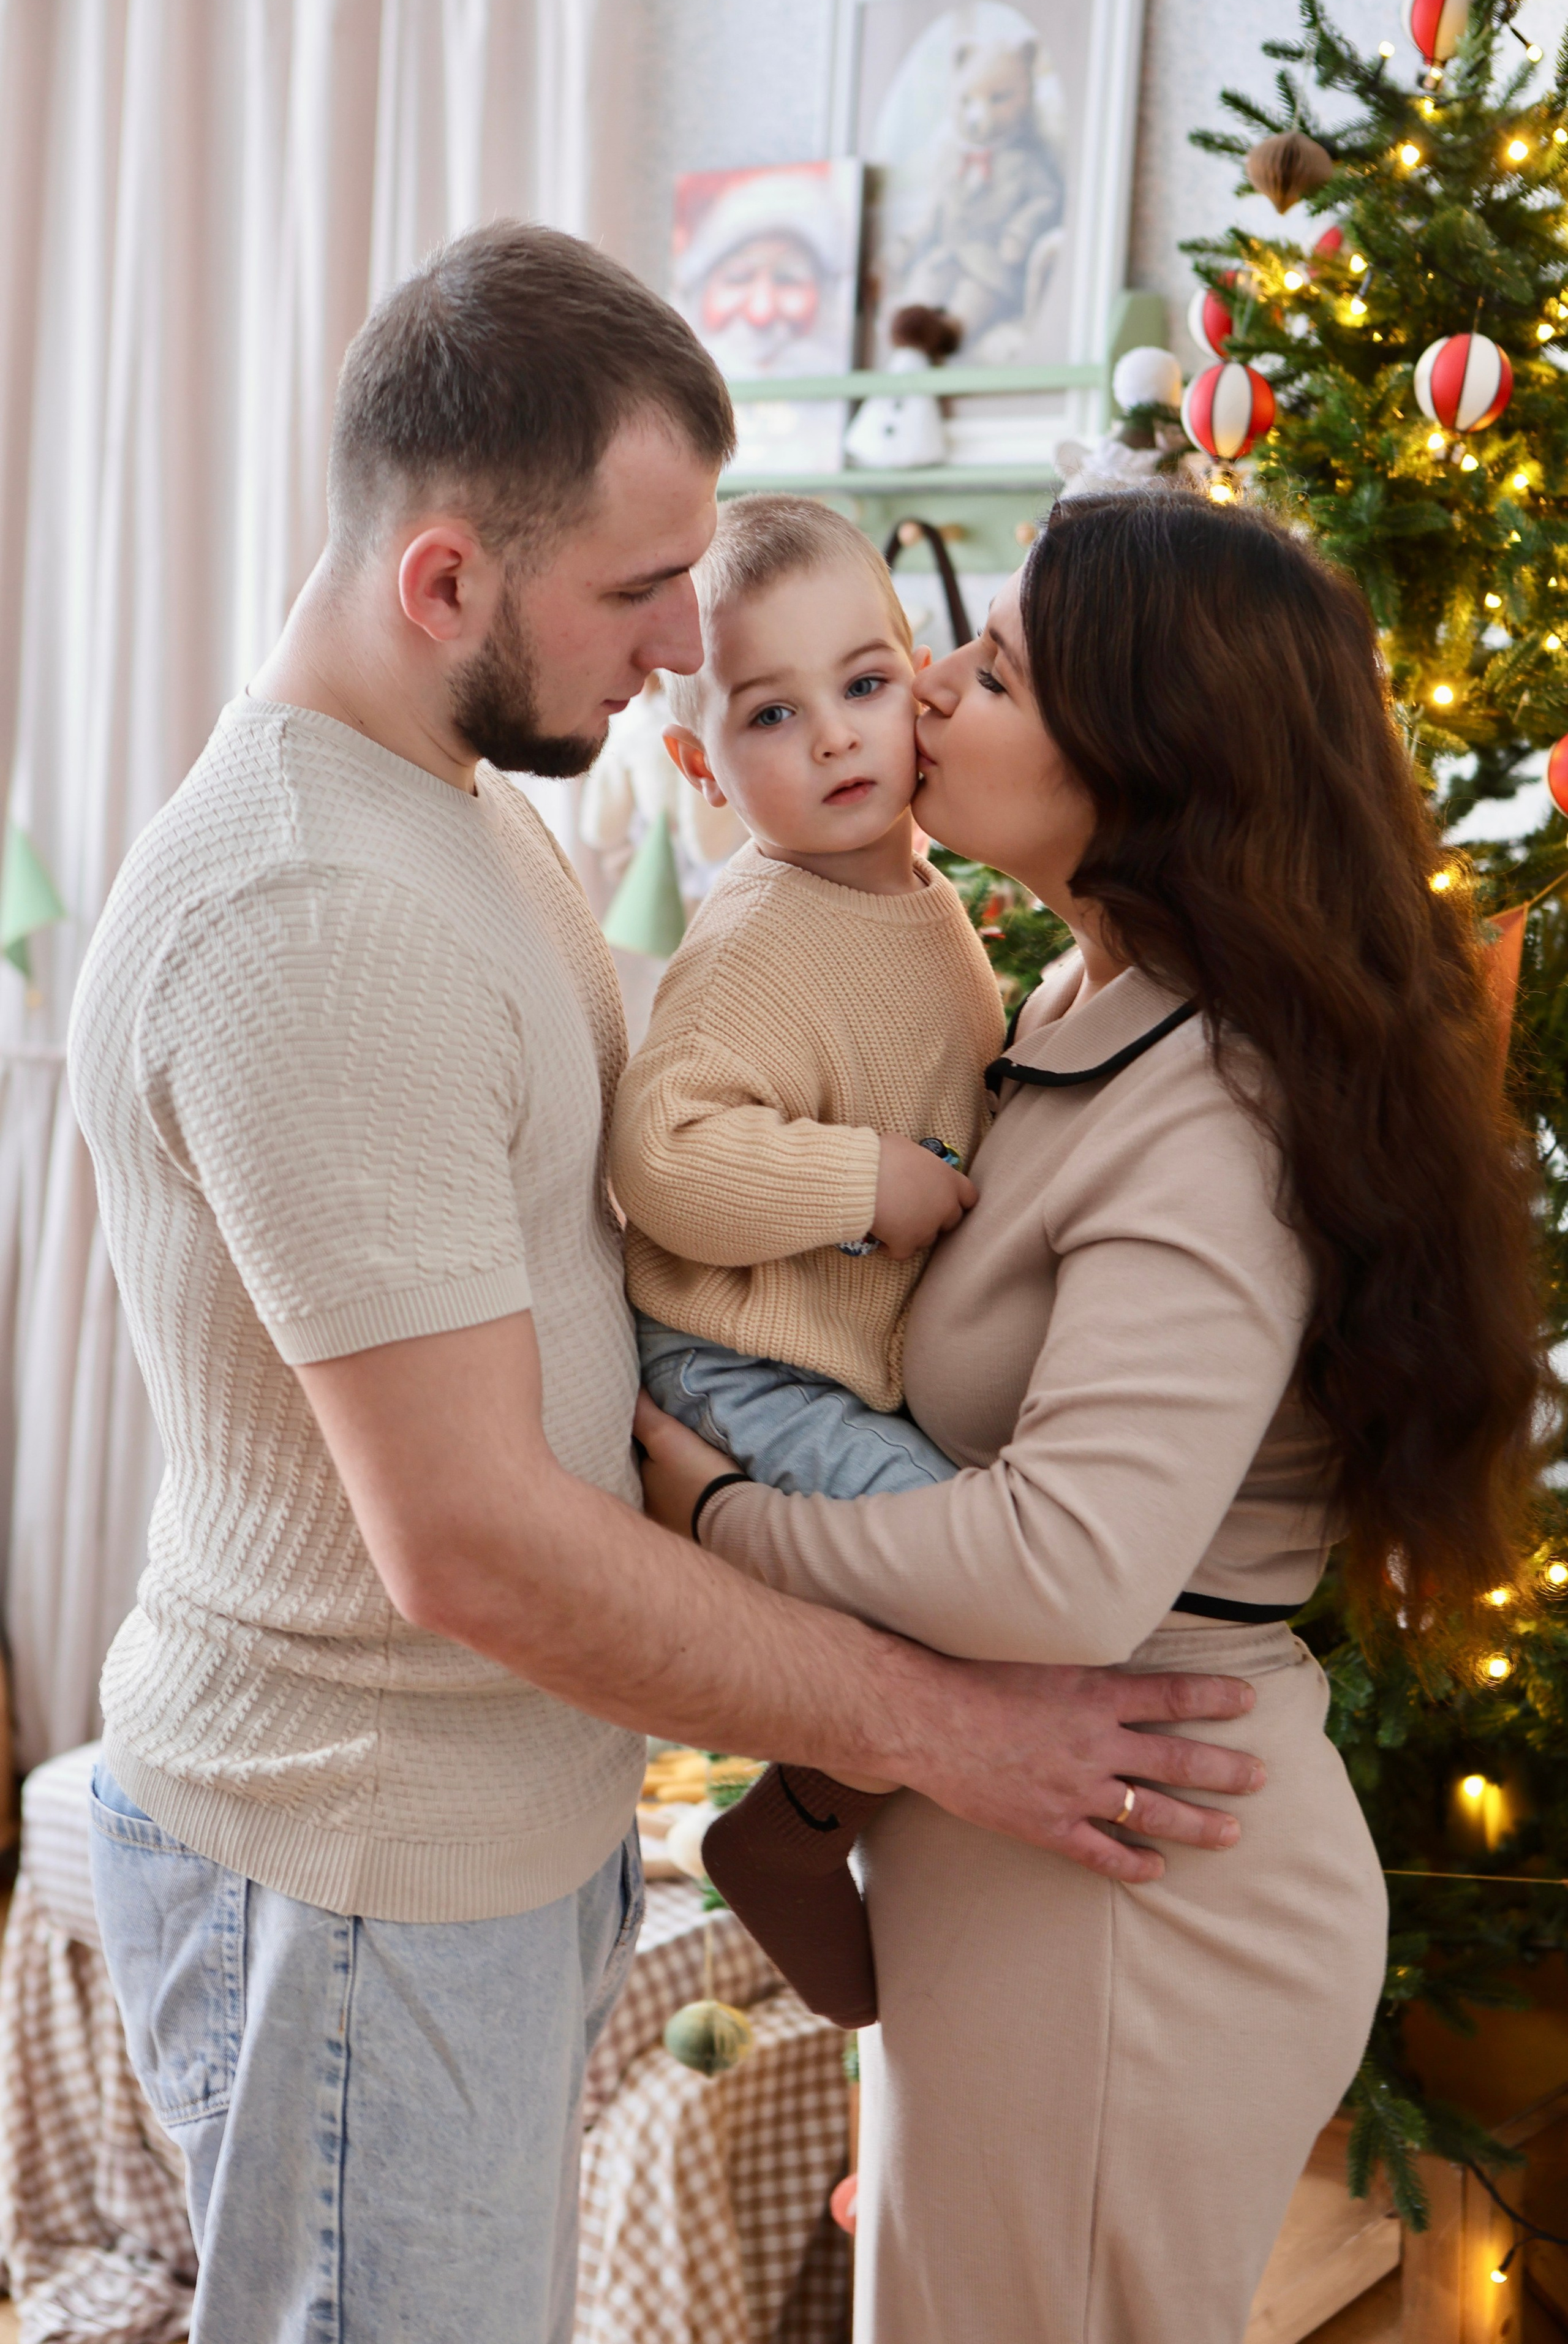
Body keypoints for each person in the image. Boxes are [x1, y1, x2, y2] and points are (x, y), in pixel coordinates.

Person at [67, 227, 1267, 2344]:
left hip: (479, 1835)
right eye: (640, 600)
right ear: (444, 584)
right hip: (359, 1864)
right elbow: (469, 1539)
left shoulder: (451, 804)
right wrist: (958, 1732)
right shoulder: (313, 916)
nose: (676, 647)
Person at [638, 491, 1547, 2344]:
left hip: (1138, 1894)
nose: (935, 696)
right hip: (1038, 1865)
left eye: (1000, 670)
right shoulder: (1070, 1004)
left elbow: (1059, 1568)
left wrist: (721, 1515)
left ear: (1145, 764)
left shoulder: (1214, 1112)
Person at [611, 493, 998, 2028]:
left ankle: (821, 1815)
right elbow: (664, 1157)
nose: (836, 739)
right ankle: (788, 1832)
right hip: (739, 1354)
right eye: (772, 713)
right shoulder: (760, 930)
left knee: (959, 1557)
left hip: (837, 1349)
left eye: (861, 684)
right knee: (954, 1559)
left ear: (919, 682)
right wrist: (865, 1183)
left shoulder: (920, 896)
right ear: (703, 766)